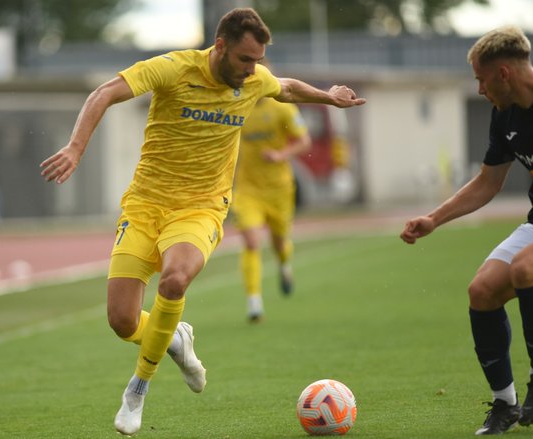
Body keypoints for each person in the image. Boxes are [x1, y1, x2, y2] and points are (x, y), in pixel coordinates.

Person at [40, 8, 365, 436]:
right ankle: (174, 338)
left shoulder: (253, 80)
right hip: (144, 206)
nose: (254, 70)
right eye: (246, 60)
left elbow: (284, 88)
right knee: (121, 320)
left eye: (259, 61)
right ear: (221, 47)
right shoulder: (173, 69)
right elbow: (104, 92)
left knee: (174, 281)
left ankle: (137, 390)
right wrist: (76, 148)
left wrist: (329, 97)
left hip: (201, 208)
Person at [400, 26, 533, 435]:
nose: (479, 89)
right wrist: (434, 219)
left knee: (525, 270)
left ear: (504, 74)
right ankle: (505, 403)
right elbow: (489, 182)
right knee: (482, 291)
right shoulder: (504, 114)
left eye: (481, 78)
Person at [231, 80, 312, 322]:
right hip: (248, 190)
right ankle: (254, 304)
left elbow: (304, 141)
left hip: (279, 189)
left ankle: (284, 265)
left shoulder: (283, 108)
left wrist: (280, 155)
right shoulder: (238, 108)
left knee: (279, 243)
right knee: (252, 242)